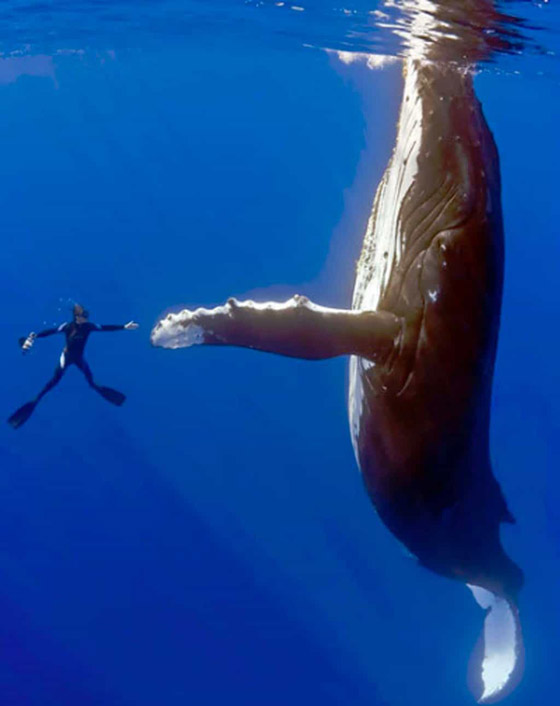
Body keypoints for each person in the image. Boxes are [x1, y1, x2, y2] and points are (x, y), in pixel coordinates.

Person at [8, 304, 139, 429]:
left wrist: (124, 327)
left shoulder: (88, 327)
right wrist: (35, 336)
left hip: (79, 358)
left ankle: (99, 389)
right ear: (77, 317)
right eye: (84, 315)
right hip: (66, 357)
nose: (87, 317)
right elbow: (51, 331)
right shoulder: (68, 327)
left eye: (86, 314)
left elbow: (105, 328)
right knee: (54, 381)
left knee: (91, 382)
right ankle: (36, 399)